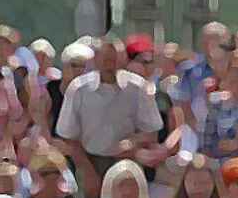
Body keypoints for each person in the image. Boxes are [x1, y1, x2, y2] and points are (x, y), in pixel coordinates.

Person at [56, 37, 164, 184]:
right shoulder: (79, 89)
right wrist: (87, 170)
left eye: (114, 59)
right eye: (105, 59)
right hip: (90, 162)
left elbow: (152, 131)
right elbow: (68, 137)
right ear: (95, 60)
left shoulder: (138, 87)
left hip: (127, 163)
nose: (110, 65)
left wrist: (133, 142)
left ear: (123, 59)